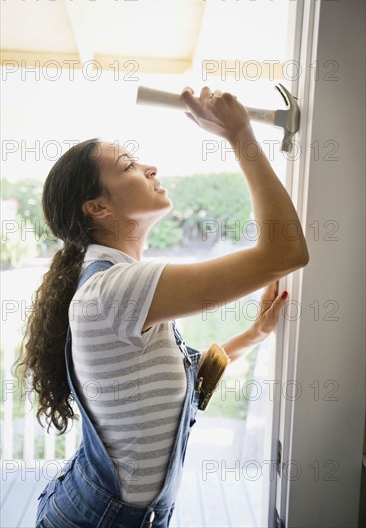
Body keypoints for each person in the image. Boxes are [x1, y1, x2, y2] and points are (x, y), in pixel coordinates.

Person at [17, 86, 309, 528]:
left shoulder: (119, 288)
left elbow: (184, 384)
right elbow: (285, 251)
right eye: (128, 166)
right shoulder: (115, 290)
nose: (149, 167)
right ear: (97, 207)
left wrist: (254, 334)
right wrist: (239, 135)